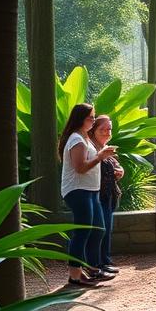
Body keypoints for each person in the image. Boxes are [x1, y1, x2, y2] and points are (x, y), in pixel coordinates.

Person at [58, 103, 117, 287]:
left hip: (90, 190)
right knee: (82, 232)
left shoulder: (84, 137)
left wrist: (102, 155)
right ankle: (75, 275)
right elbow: (80, 168)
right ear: (81, 119)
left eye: (93, 116)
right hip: (77, 190)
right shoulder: (76, 139)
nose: (93, 120)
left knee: (98, 229)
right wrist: (100, 156)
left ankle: (91, 268)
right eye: (90, 117)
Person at [90, 114, 123, 274]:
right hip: (97, 195)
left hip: (109, 194)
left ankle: (104, 259)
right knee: (99, 229)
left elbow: (116, 165)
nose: (106, 132)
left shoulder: (107, 149)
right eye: (102, 129)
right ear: (93, 130)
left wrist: (120, 171)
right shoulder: (91, 148)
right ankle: (96, 263)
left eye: (109, 129)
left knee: (107, 228)